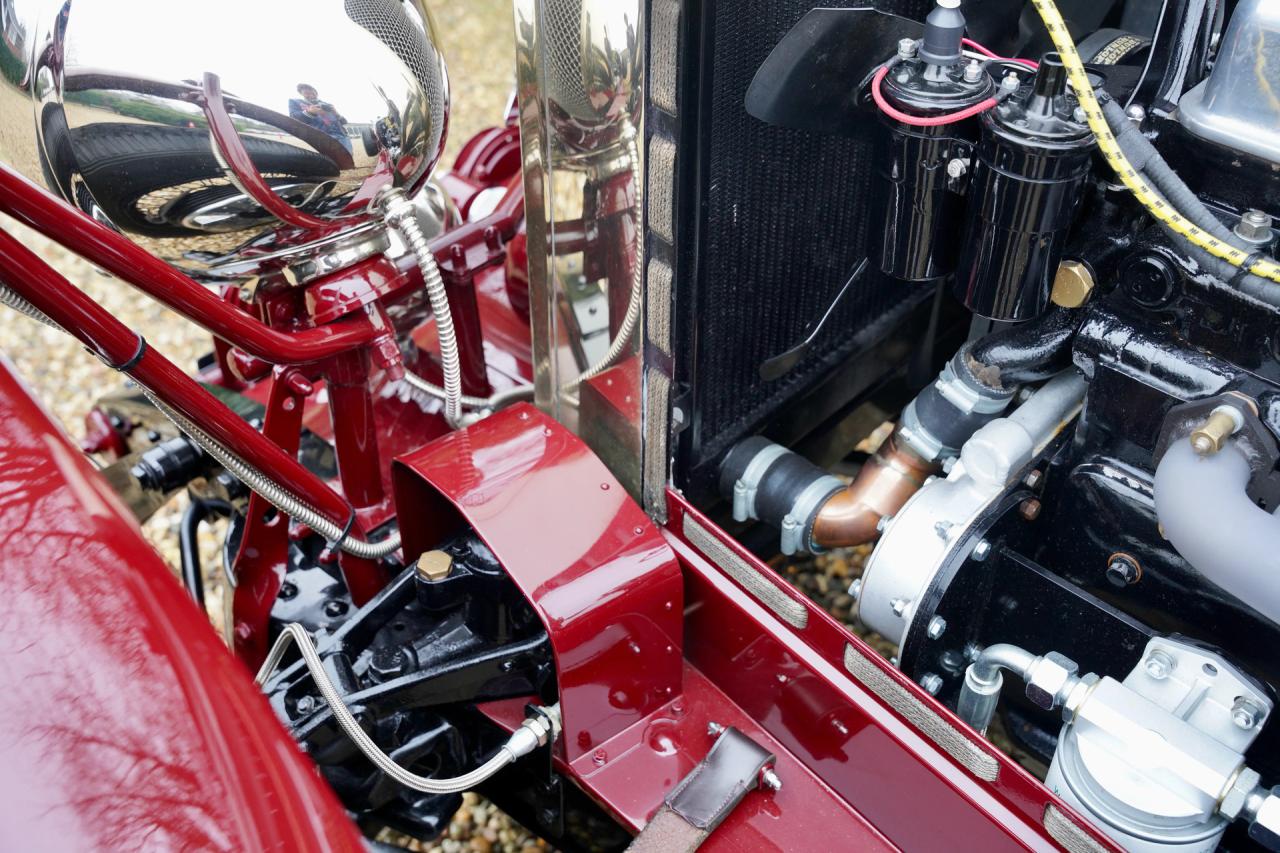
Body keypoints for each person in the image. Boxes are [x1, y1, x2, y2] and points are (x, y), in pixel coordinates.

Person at [288, 83, 352, 155]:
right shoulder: (296, 102)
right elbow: (293, 118)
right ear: (301, 93)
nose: (310, 93)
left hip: (342, 135)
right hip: (322, 137)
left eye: (312, 91)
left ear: (316, 93)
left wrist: (336, 113)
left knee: (348, 158)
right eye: (306, 92)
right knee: (331, 160)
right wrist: (309, 112)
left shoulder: (327, 104)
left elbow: (344, 122)